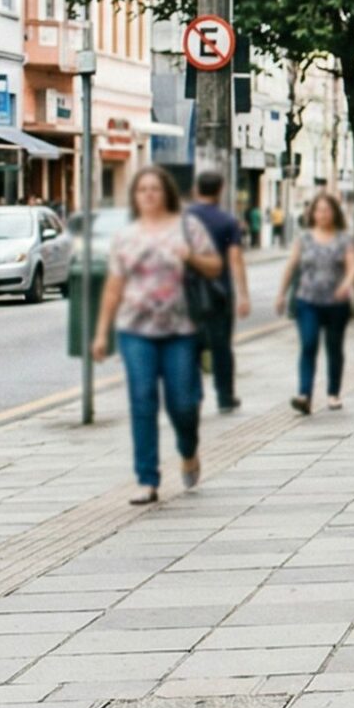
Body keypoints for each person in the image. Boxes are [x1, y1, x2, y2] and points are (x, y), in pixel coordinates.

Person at [90, 166, 223, 504]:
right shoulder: (126, 236)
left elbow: (215, 267)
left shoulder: (187, 228)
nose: (148, 194)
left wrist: (190, 256)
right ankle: (147, 479)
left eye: (154, 188)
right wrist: (102, 333)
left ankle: (188, 449)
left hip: (181, 329)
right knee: (143, 399)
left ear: (165, 192)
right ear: (135, 197)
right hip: (136, 329)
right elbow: (114, 286)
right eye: (142, 189)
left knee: (182, 402)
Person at [278, 191, 354, 414]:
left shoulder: (344, 239)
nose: (322, 214)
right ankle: (304, 394)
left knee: (334, 347)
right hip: (307, 300)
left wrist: (346, 284)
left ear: (334, 213)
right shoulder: (303, 238)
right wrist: (282, 294)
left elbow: (353, 267)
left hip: (336, 302)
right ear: (312, 214)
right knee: (309, 344)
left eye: (327, 210)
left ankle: (333, 393)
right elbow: (292, 266)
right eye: (318, 210)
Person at [185, 169, 250, 414]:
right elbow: (235, 259)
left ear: (196, 190)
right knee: (221, 346)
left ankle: (192, 394)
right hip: (219, 292)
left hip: (187, 292)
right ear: (220, 190)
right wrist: (243, 295)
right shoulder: (227, 221)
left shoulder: (184, 218)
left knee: (190, 345)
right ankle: (225, 396)